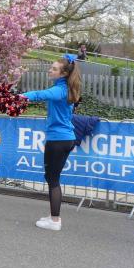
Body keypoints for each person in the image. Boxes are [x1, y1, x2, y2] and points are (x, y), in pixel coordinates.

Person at [22, 54, 82, 231]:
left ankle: (55, 220)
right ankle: (53, 216)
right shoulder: (65, 88)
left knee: (53, 180)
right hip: (64, 138)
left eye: (54, 69)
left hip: (58, 139)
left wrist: (19, 97)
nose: (50, 70)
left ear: (63, 73)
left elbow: (40, 94)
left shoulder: (59, 90)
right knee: (52, 178)